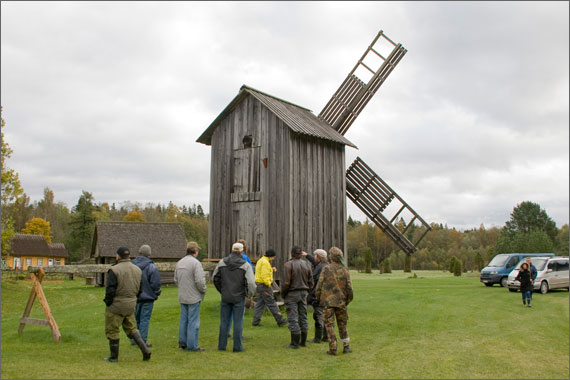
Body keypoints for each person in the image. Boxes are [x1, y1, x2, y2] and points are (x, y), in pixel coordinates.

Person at [103, 247, 151, 362]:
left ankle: (114, 357)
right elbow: (140, 288)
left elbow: (110, 290)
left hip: (116, 305)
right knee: (132, 328)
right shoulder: (137, 270)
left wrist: (108, 302)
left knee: (112, 330)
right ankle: (145, 351)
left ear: (118, 256)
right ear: (129, 256)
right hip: (131, 304)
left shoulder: (114, 270)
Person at [213, 242, 256, 352]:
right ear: (242, 251)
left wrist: (222, 291)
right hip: (239, 296)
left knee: (224, 321)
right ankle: (237, 347)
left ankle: (221, 346)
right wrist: (249, 295)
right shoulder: (245, 264)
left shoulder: (222, 262)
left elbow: (215, 278)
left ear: (231, 250)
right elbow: (251, 283)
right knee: (238, 322)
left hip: (226, 296)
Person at [316, 246, 353, 355]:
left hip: (328, 302)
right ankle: (346, 346)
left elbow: (320, 285)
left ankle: (333, 348)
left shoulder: (326, 269)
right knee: (342, 324)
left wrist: (318, 297)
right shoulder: (345, 270)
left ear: (331, 257)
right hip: (341, 302)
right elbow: (349, 288)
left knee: (329, 325)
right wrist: (347, 301)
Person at [174, 241, 207, 352]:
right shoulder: (196, 263)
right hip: (193, 296)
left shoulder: (179, 262)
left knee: (184, 320)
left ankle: (182, 343)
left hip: (183, 295)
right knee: (193, 321)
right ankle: (192, 345)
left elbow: (176, 279)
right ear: (195, 251)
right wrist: (203, 290)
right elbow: (199, 280)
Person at [281, 245, 313, 349]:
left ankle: (294, 343)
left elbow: (286, 283)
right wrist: (308, 290)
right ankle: (303, 341)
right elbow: (311, 282)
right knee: (303, 316)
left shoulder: (288, 265)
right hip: (303, 293)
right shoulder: (307, 265)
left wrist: (283, 294)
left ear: (292, 253)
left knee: (293, 317)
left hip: (292, 293)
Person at [130, 244, 161, 347]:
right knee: (144, 319)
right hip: (147, 297)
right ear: (149, 254)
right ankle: (142, 341)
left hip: (134, 296)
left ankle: (134, 339)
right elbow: (155, 283)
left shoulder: (132, 265)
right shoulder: (151, 267)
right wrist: (156, 292)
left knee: (135, 319)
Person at [252, 249, 287, 327]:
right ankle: (280, 320)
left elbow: (263, 271)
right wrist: (268, 283)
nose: (273, 259)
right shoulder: (265, 263)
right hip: (264, 285)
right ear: (271, 256)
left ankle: (255, 322)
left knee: (260, 304)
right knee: (272, 303)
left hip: (259, 285)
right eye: (273, 257)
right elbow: (264, 275)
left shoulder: (261, 260)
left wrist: (271, 270)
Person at [303, 248, 329, 343]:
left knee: (318, 316)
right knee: (326, 316)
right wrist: (307, 255)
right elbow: (314, 262)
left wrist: (311, 294)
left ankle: (317, 338)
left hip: (318, 296)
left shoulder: (319, 268)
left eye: (315, 255)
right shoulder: (326, 265)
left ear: (319, 257)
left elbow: (316, 283)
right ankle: (326, 337)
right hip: (327, 296)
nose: (314, 257)